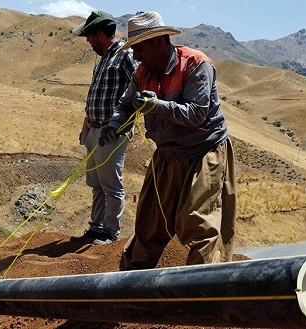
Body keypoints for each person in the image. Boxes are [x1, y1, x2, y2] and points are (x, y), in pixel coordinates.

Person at [98, 11, 236, 268]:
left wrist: (156, 106)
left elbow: (196, 114)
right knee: (149, 226)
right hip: (166, 156)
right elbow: (127, 105)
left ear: (158, 42)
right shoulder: (142, 72)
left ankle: (200, 296)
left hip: (203, 154)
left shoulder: (196, 64)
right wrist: (115, 124)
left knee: (201, 227)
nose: (136, 55)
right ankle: (128, 292)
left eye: (139, 48)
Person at [69, 11, 138, 245]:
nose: (88, 41)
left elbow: (139, 91)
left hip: (113, 132)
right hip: (94, 130)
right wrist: (86, 126)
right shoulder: (103, 59)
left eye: (89, 36)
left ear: (99, 34)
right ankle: (96, 227)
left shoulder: (125, 55)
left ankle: (111, 232)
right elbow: (95, 96)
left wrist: (118, 124)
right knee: (96, 183)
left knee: (110, 184)